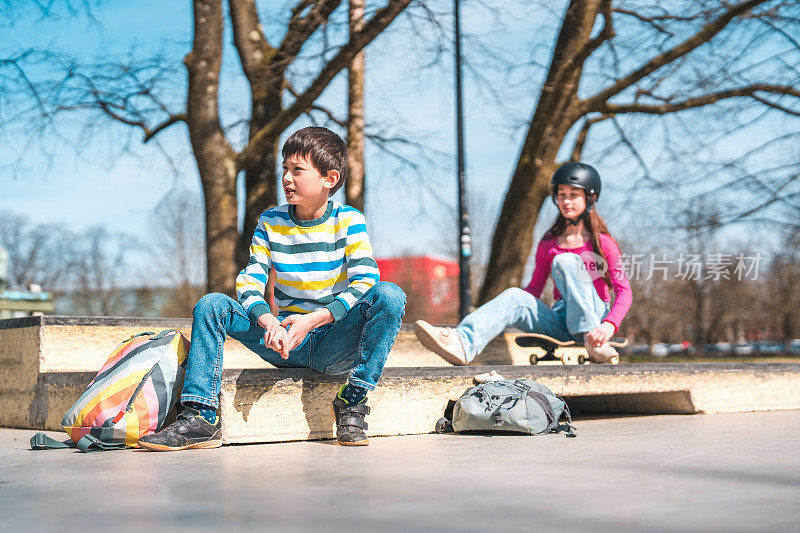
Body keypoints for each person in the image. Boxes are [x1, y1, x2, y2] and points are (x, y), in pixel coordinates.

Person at [139, 127, 406, 450]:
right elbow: (249, 282)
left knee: (389, 295)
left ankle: (352, 400)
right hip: (281, 340)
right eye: (284, 169)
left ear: (329, 179)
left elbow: (365, 280)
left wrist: (312, 320)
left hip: (330, 343)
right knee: (212, 304)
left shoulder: (349, 220)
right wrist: (268, 321)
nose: (287, 179)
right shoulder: (270, 221)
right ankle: (202, 415)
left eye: (297, 170)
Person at [415, 162, 632, 365]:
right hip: (563, 322)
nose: (566, 202)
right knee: (515, 296)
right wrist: (505, 310)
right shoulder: (548, 244)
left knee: (565, 261)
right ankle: (462, 342)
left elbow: (624, 293)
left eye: (573, 195)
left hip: (597, 325)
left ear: (590, 198)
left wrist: (608, 325)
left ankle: (594, 342)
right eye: (561, 195)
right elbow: (533, 292)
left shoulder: (603, 243)